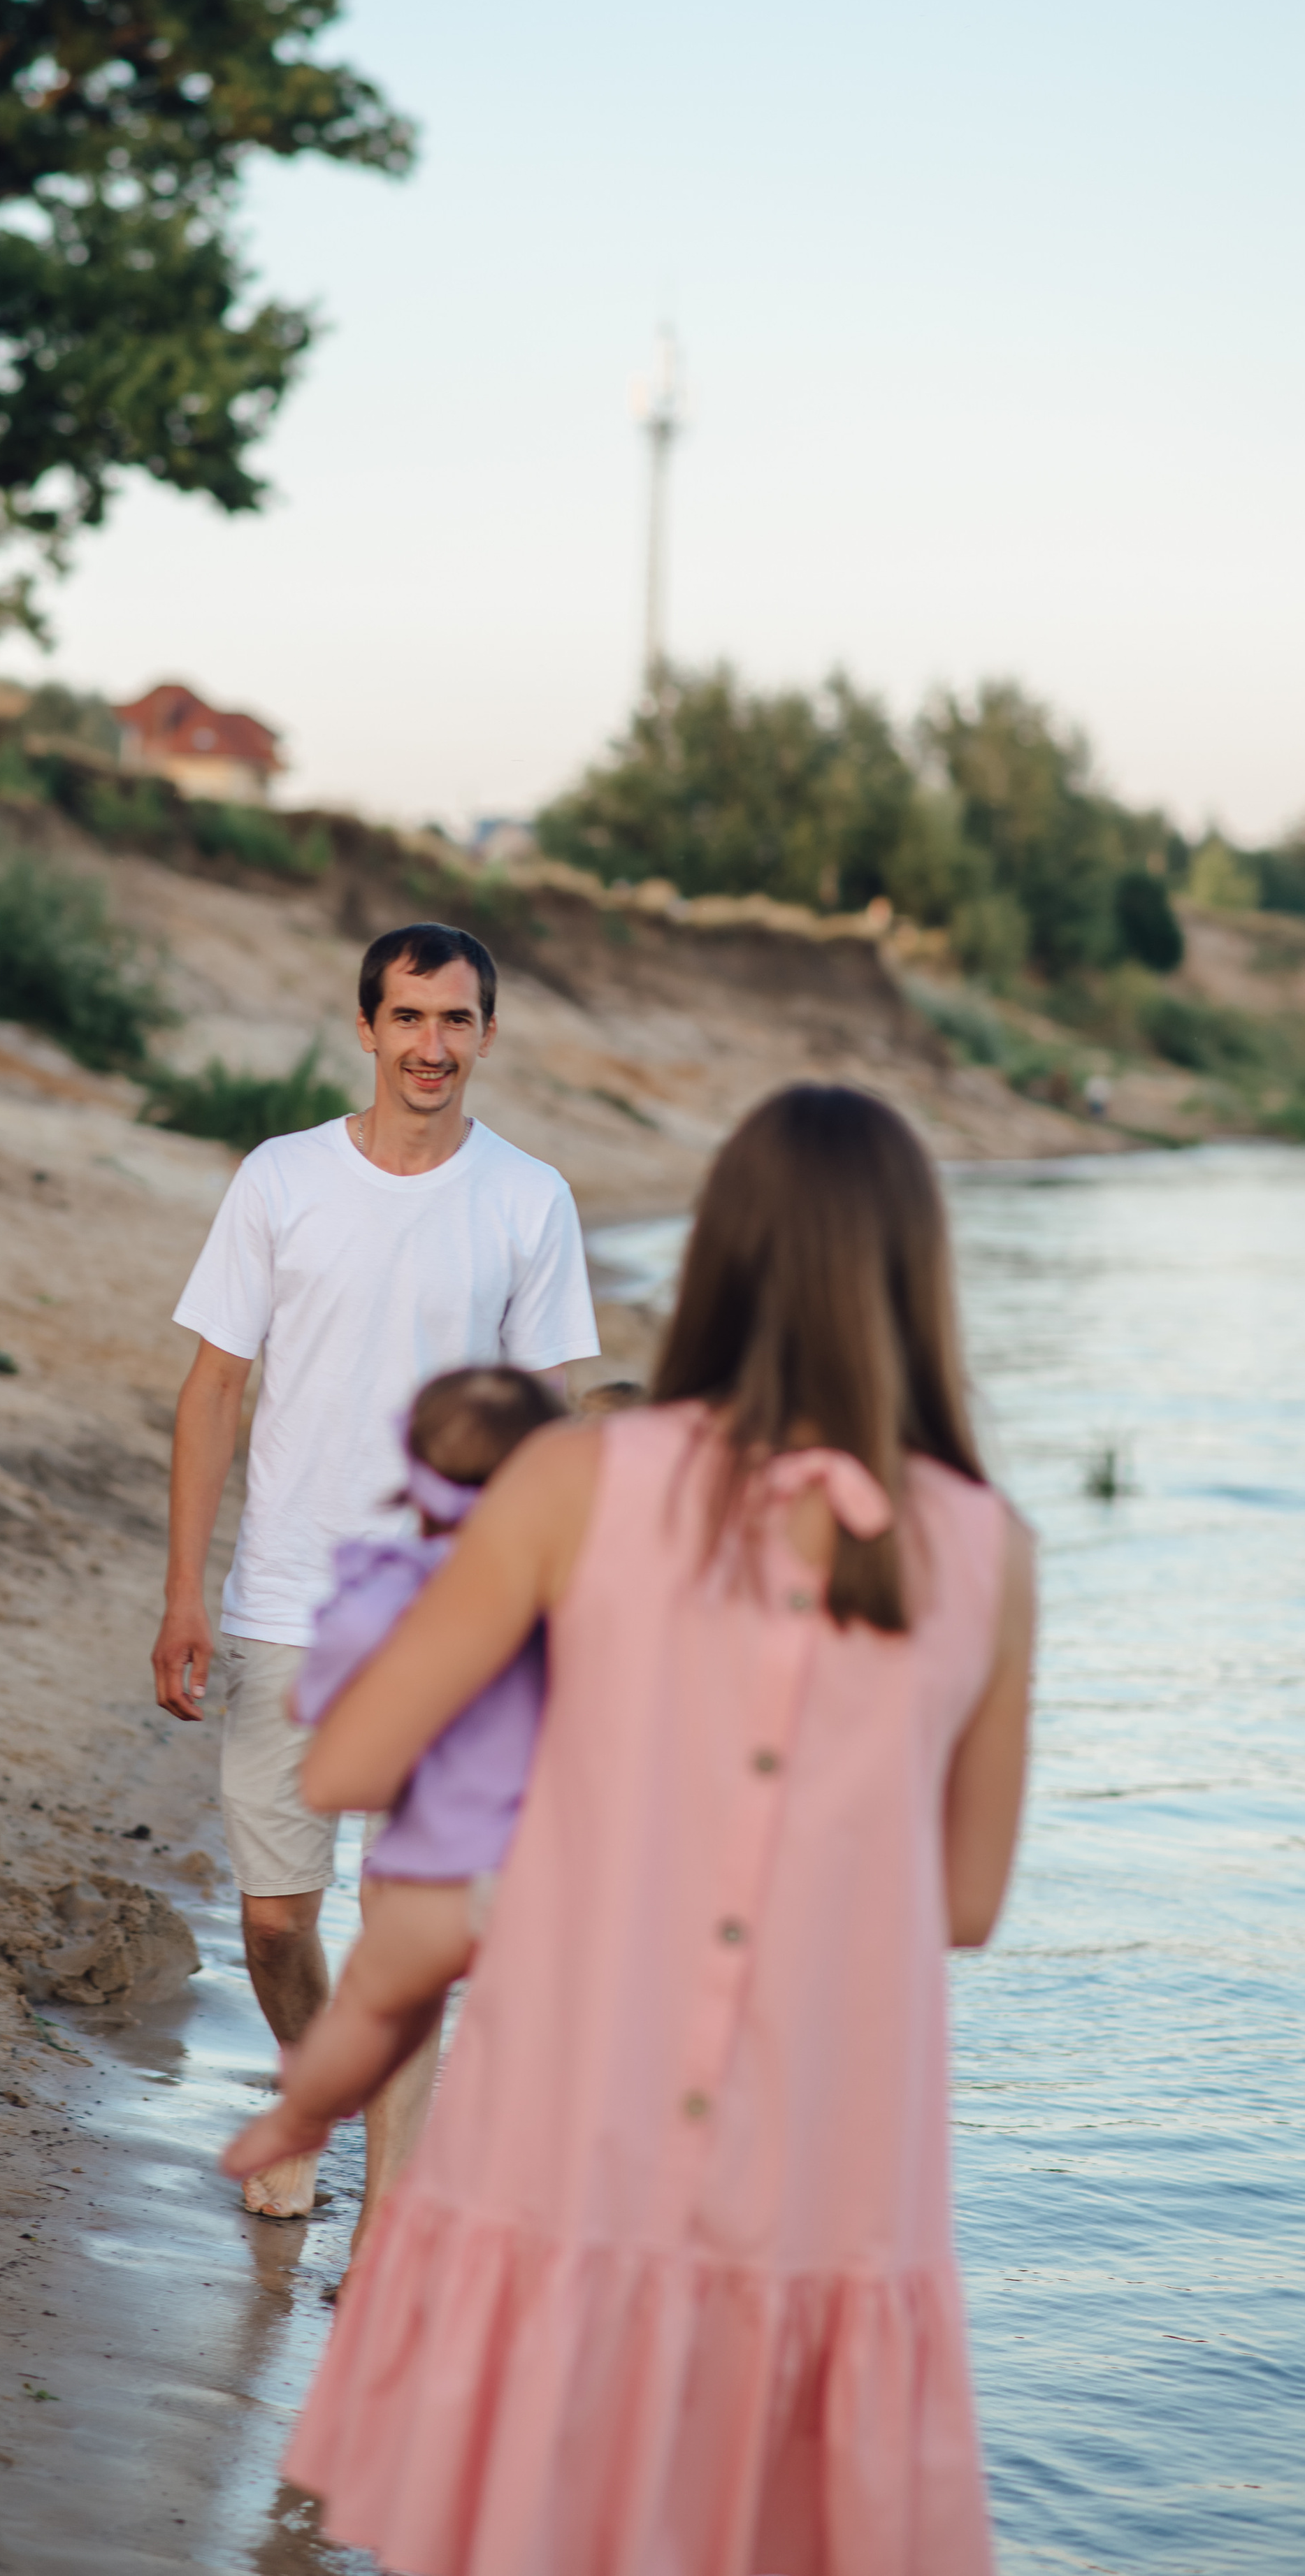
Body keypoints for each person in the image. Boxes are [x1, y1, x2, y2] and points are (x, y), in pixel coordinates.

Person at [277, 1082, 1036, 2576]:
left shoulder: (580, 1476)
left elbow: (351, 1758)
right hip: (831, 2148)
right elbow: (962, 1901)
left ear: (718, 1257)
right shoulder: (987, 1544)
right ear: (918, 1276)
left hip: (581, 2102)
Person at [150, 923, 600, 2242]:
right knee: (275, 1921)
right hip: (287, 1599)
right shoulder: (282, 1179)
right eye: (408, 1017)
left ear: (488, 1035)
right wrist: (184, 1592)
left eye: (456, 1020)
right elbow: (212, 1390)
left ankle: (388, 2228)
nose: (431, 1045)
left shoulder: (529, 1198)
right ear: (367, 1028)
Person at [222, 1365, 561, 2189]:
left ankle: (300, 2122)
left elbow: (335, 1771)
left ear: (410, 1471)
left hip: (436, 1885)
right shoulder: (574, 1600)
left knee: (374, 2012)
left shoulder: (386, 1589)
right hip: (537, 1893)